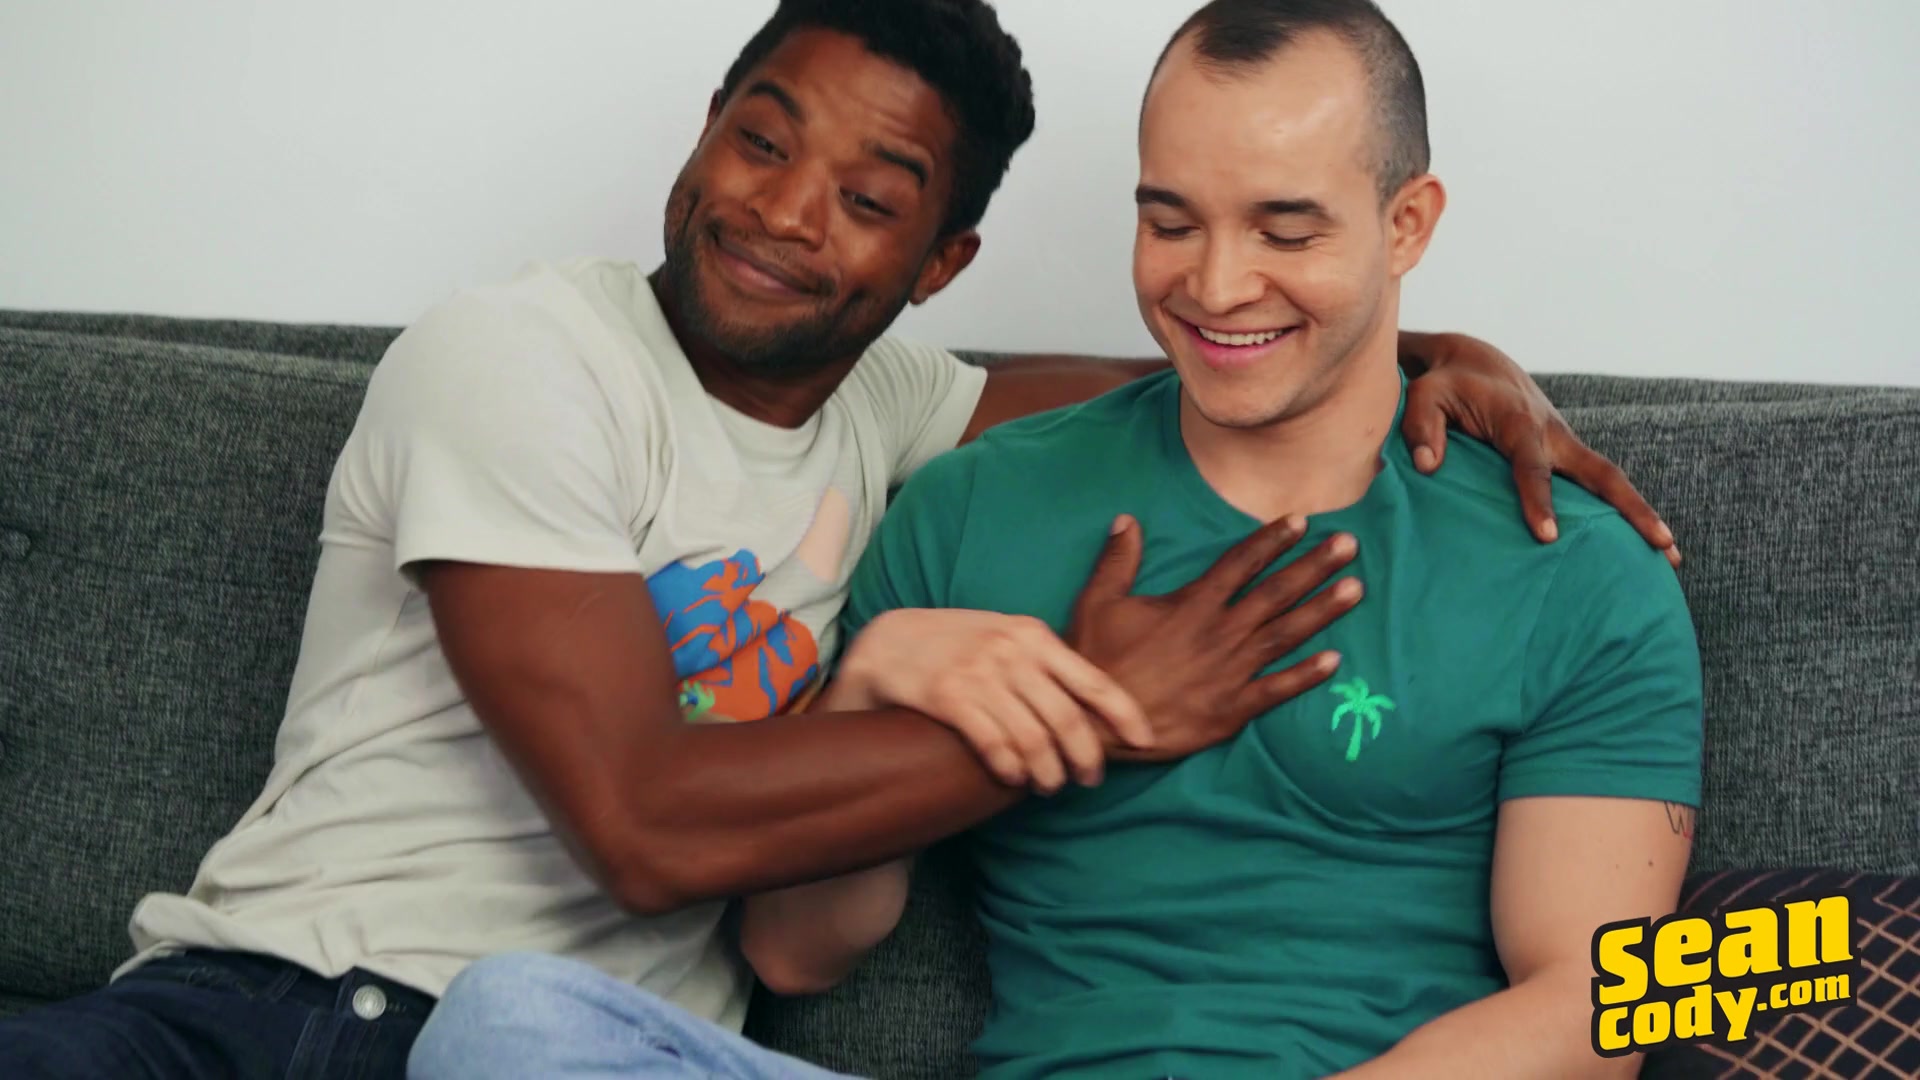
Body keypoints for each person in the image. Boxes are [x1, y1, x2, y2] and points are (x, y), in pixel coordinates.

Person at [0, 1, 1679, 1078]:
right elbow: (746, 911)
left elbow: (1616, 999)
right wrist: (920, 683)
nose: (1216, 280)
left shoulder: (1577, 564)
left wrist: (1447, 357)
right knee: (514, 1023)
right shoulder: (578, 377)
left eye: (1290, 228)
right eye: (1171, 220)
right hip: (280, 1005)